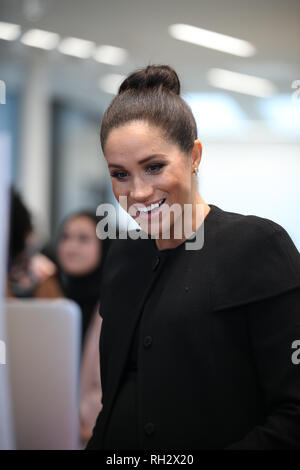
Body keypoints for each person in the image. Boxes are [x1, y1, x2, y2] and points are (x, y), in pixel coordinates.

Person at [86, 65, 300, 450]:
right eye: (120, 174)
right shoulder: (122, 257)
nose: (137, 192)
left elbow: (294, 414)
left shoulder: (257, 246)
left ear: (194, 155)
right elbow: (115, 401)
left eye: (154, 167)